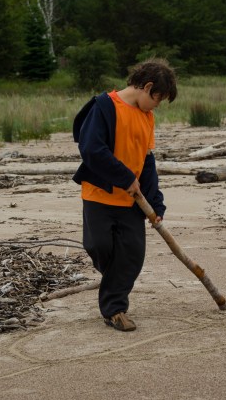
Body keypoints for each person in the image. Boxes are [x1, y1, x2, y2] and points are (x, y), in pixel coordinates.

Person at [73, 58, 177, 331]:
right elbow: (92, 149)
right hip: (99, 196)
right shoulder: (104, 107)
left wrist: (156, 204)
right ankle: (115, 284)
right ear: (147, 86)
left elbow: (147, 162)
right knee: (99, 247)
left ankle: (115, 310)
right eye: (158, 98)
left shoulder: (147, 116)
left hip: (133, 202)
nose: (158, 105)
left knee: (132, 255)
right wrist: (125, 178)